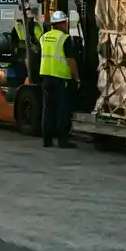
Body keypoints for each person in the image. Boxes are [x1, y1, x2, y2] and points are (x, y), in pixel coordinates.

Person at [39, 10, 80, 148]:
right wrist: (76, 78)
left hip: (45, 77)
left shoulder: (44, 38)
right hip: (60, 78)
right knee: (62, 110)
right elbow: (71, 61)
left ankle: (47, 140)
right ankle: (63, 140)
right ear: (62, 23)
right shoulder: (64, 38)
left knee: (47, 109)